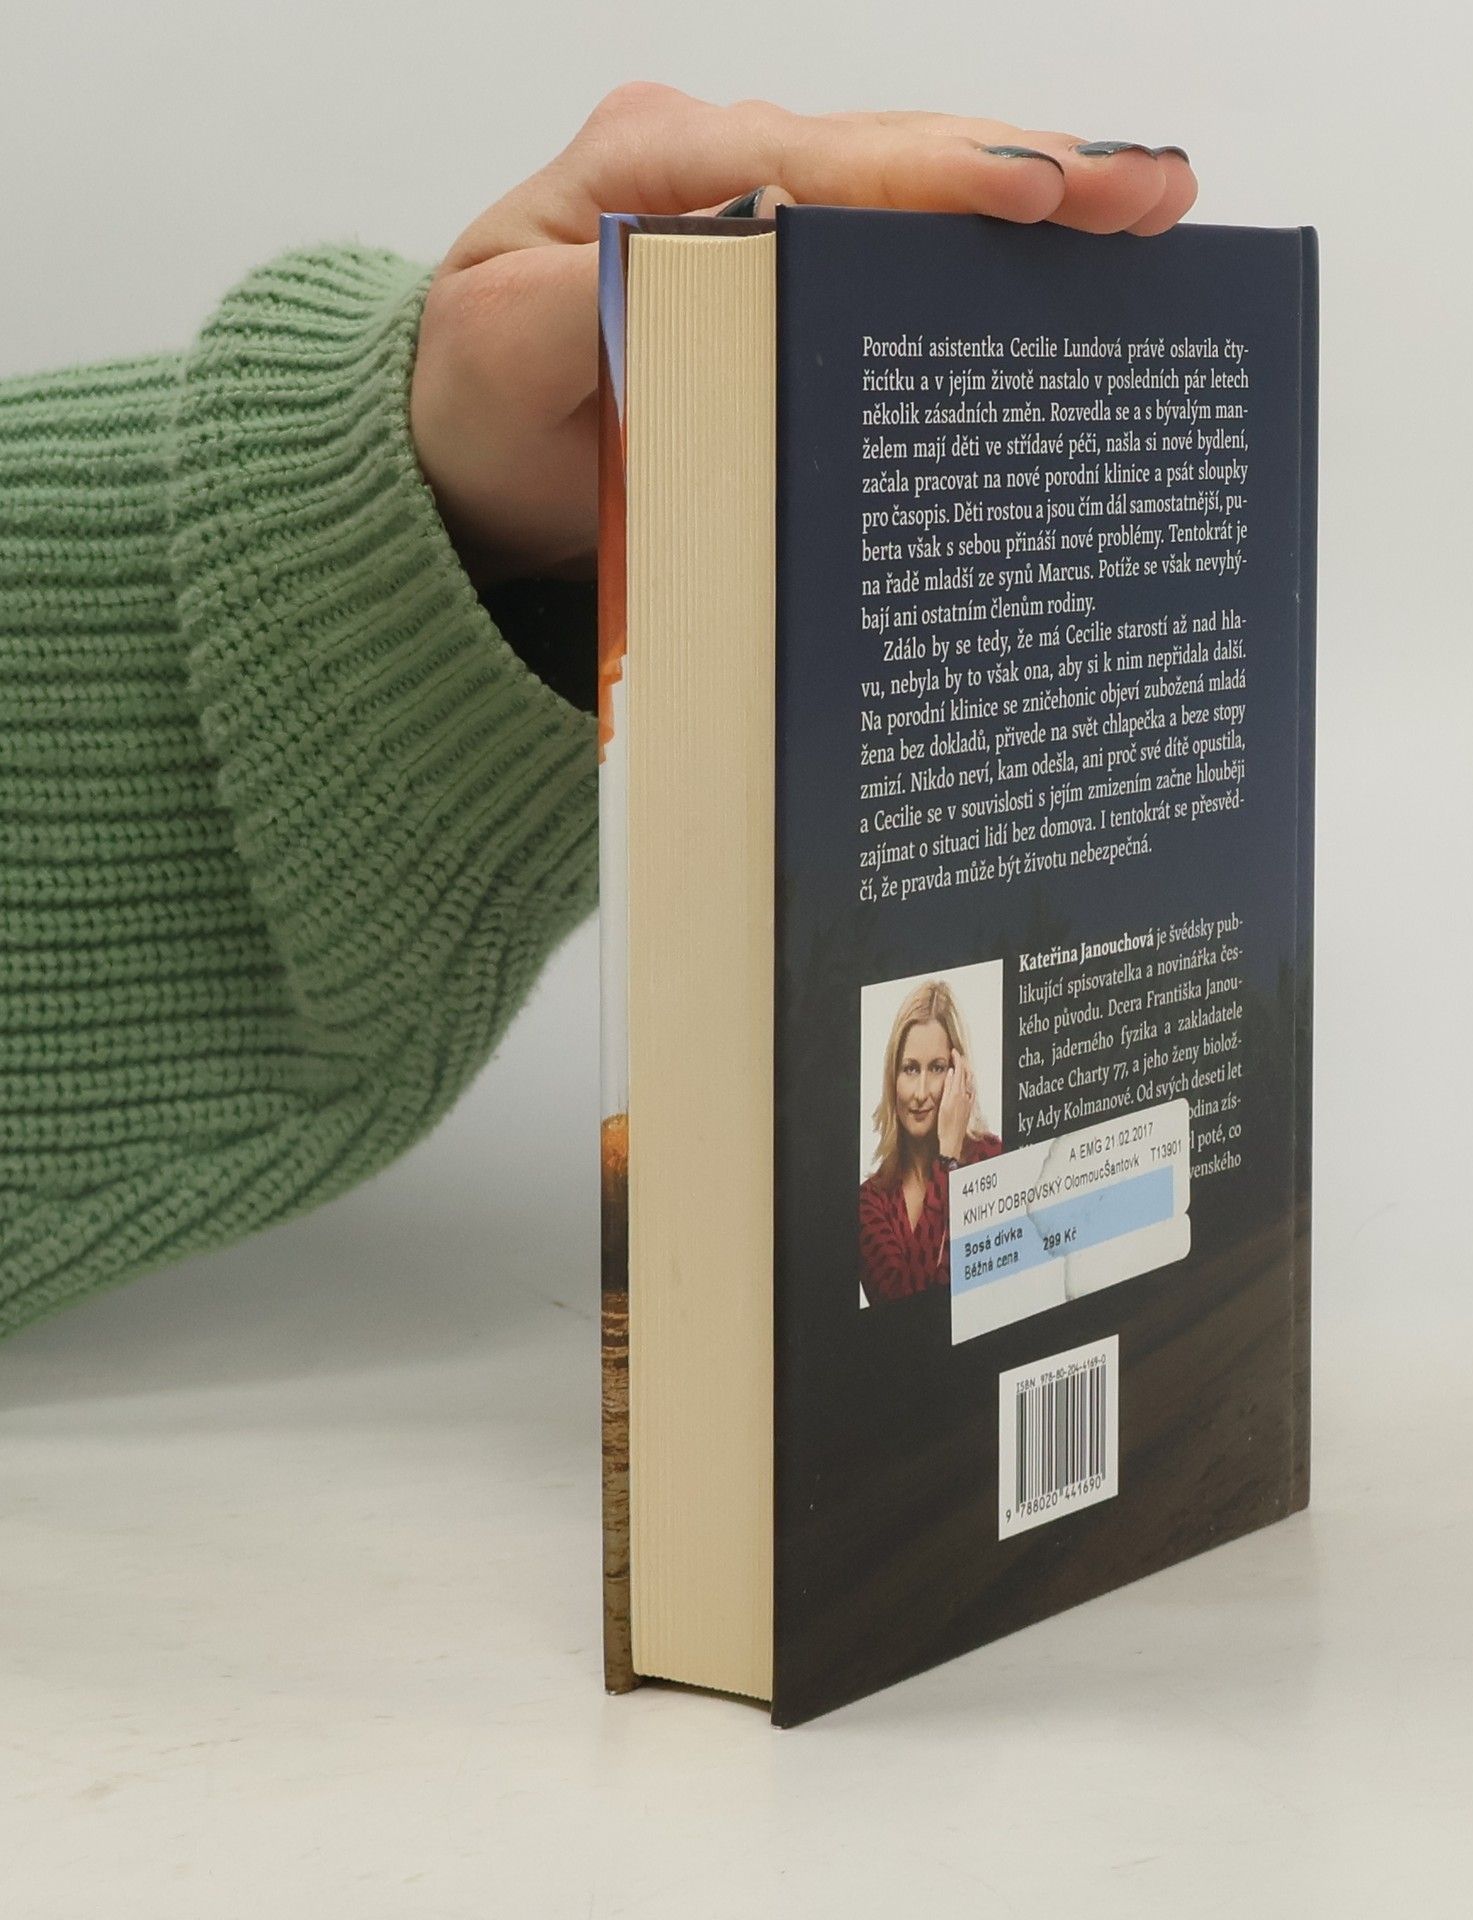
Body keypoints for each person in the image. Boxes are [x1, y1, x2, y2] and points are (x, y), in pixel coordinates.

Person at [0, 87, 1196, 1337]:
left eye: (933, 1064)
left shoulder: (992, 1166)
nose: (921, 1081)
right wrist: (370, 528)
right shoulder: (850, 1208)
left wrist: (420, 485)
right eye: (916, 1059)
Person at [858, 980, 1004, 1304]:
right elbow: (906, 1307)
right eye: (910, 1069)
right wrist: (947, 1158)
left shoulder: (995, 1159)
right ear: (892, 1079)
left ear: (959, 1073)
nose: (921, 1092)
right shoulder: (871, 1202)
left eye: (937, 1068)